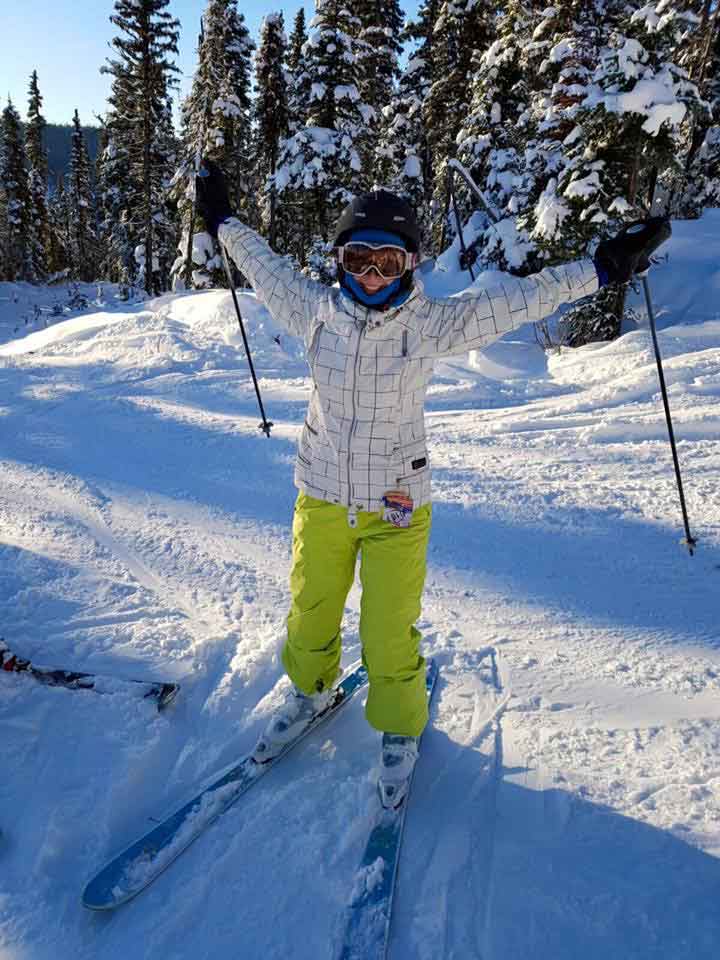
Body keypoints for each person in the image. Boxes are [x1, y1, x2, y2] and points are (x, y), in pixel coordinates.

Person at [196, 161, 666, 788]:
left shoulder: (431, 324)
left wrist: (603, 268)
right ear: (339, 259)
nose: (370, 275)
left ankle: (399, 722)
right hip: (322, 499)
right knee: (310, 616)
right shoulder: (313, 312)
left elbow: (521, 298)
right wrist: (223, 221)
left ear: (410, 267)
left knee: (388, 632)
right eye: (359, 257)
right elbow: (264, 265)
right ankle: (309, 691)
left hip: (398, 506)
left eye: (387, 263)